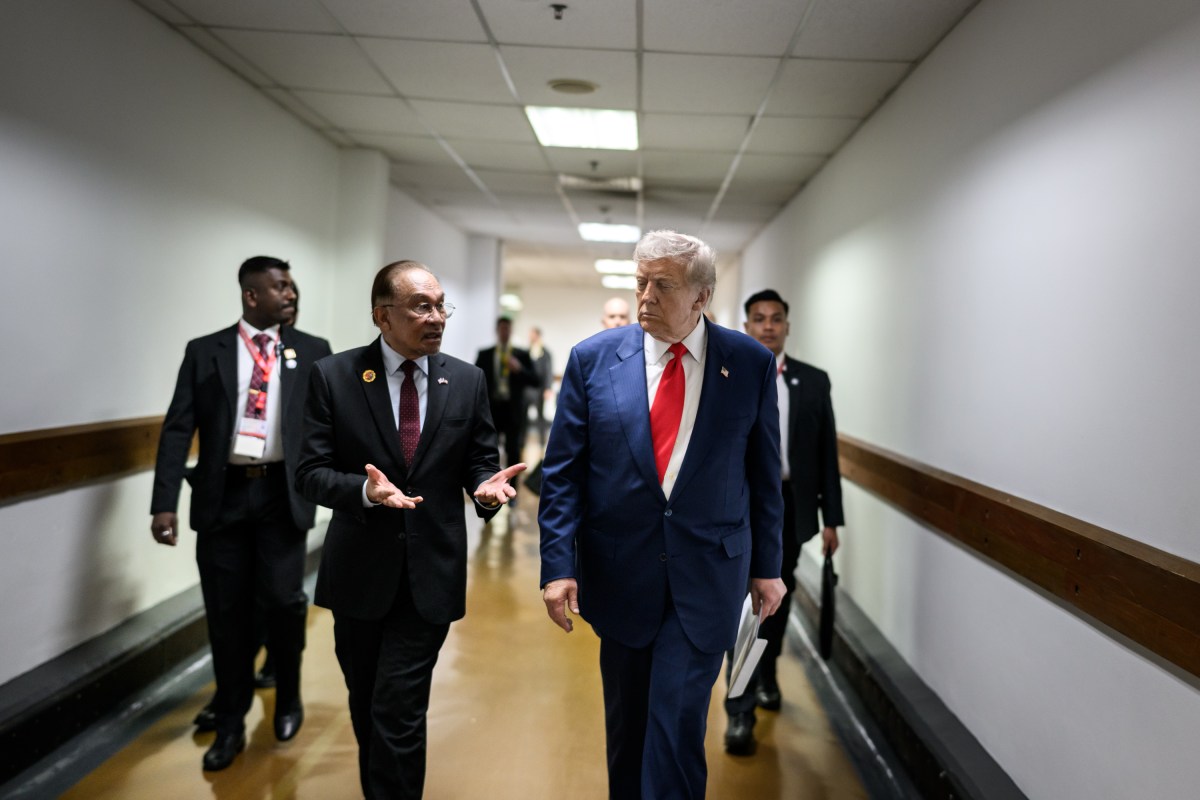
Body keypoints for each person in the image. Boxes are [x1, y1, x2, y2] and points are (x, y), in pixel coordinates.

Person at [538, 230, 786, 799]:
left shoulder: (748, 364)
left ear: (701, 296)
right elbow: (563, 476)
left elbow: (763, 475)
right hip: (620, 573)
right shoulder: (593, 360)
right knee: (628, 731)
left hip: (708, 575)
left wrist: (767, 567)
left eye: (663, 286)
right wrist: (557, 567)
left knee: (675, 727)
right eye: (641, 283)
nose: (646, 297)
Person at [295, 260, 523, 799]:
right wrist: (365, 491)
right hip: (359, 573)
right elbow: (309, 472)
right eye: (422, 306)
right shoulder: (335, 376)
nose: (437, 317)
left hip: (430, 574)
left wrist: (485, 488)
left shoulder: (465, 380)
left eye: (441, 305)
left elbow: (479, 461)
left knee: (398, 708)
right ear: (382, 316)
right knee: (366, 703)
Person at [150, 256, 332, 770]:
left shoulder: (312, 351)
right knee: (226, 614)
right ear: (252, 296)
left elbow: (330, 425)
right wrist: (164, 503)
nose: (290, 294)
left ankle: (288, 694)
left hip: (281, 496)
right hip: (223, 498)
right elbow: (177, 428)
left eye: (291, 286)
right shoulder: (204, 351)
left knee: (284, 602)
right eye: (280, 287)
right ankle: (230, 721)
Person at [723, 288, 845, 755]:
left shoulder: (813, 381)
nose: (768, 326)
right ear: (747, 326)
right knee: (745, 607)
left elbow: (826, 451)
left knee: (777, 597)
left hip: (791, 506)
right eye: (759, 318)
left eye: (776, 318)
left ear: (787, 326)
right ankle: (740, 709)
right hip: (739, 505)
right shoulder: (728, 374)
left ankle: (767, 672)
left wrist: (831, 519)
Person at [474, 317, 537, 500]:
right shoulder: (485, 354)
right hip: (491, 410)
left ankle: (512, 491)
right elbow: (475, 381)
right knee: (489, 450)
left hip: (513, 411)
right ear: (497, 330)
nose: (504, 332)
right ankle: (489, 484)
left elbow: (535, 380)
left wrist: (519, 369)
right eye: (501, 328)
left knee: (513, 450)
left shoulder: (521, 354)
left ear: (511, 330)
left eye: (507, 329)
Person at [526, 326, 553, 445]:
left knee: (540, 416)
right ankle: (522, 442)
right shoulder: (526, 351)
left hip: (539, 389)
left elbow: (548, 371)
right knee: (522, 416)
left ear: (537, 335)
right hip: (527, 389)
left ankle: (542, 441)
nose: (530, 336)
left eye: (532, 334)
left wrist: (548, 388)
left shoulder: (545, 352)